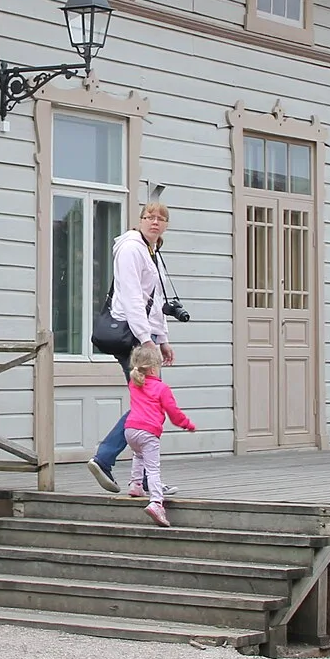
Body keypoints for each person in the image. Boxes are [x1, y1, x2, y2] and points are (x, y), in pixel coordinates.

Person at [87, 202, 175, 494]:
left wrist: (162, 339)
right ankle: (106, 457)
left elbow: (157, 302)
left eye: (160, 218)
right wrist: (147, 339)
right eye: (149, 217)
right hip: (131, 336)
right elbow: (133, 299)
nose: (155, 222)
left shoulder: (152, 252)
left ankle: (144, 478)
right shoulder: (131, 249)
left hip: (144, 336)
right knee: (150, 404)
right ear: (139, 221)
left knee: (150, 405)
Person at [123, 341, 195, 525]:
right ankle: (156, 502)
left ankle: (136, 484)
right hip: (148, 432)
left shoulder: (134, 383)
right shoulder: (162, 388)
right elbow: (173, 412)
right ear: (155, 368)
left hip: (130, 430)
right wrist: (186, 424)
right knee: (153, 468)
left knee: (138, 455)